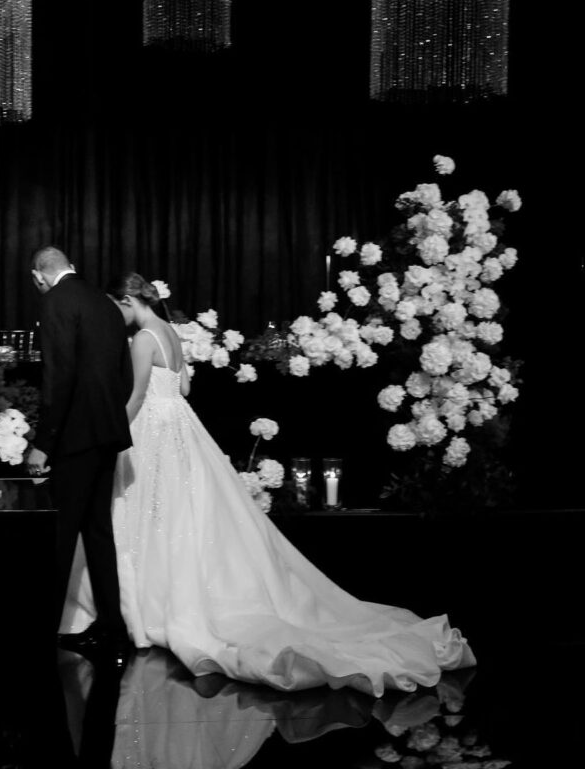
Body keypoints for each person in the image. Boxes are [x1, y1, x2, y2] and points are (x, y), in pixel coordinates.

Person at [61, 272, 477, 695]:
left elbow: (134, 397)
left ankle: (140, 606)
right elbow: (183, 386)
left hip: (151, 427)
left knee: (148, 511)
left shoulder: (143, 339)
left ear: (128, 301)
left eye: (117, 309)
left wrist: (112, 435)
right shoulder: (170, 332)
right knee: (180, 510)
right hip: (181, 426)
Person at [28, 247, 133, 667]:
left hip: (74, 438)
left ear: (40, 276)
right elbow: (123, 374)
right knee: (98, 532)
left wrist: (44, 441)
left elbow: (59, 376)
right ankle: (113, 628)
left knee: (60, 536)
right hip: (106, 433)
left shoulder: (56, 301)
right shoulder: (104, 303)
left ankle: (41, 633)